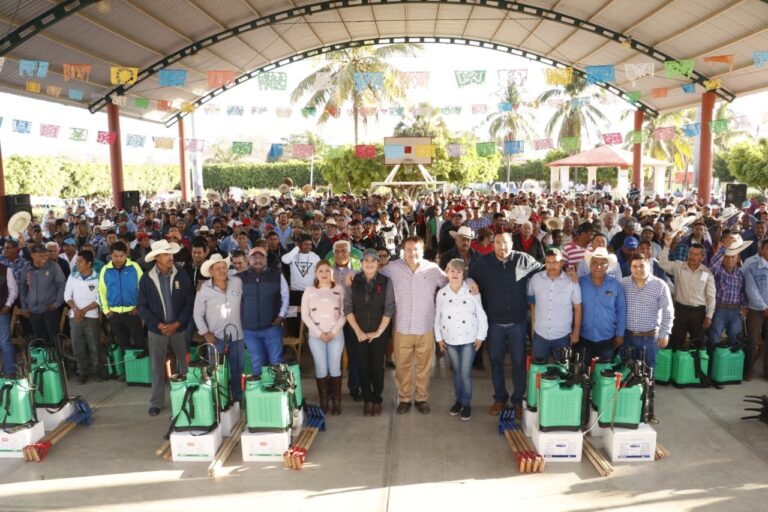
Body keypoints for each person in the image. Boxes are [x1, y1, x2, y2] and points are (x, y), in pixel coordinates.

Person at [469, 232, 543, 417]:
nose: (502, 247)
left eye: (505, 243)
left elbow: (544, 269)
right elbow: (469, 276)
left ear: (512, 243)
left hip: (518, 323)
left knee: (518, 363)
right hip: (494, 323)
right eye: (498, 243)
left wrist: (568, 270)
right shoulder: (483, 263)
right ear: (493, 244)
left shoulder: (523, 259)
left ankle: (518, 400)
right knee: (496, 362)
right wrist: (470, 281)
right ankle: (500, 399)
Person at [381, 236, 447, 415]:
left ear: (422, 250)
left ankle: (421, 398)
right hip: (401, 327)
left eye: (416, 249)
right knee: (402, 366)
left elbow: (452, 282)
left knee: (424, 366)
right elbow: (372, 273)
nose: (412, 253)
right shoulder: (393, 269)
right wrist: (351, 274)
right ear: (403, 250)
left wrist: (471, 283)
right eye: (408, 249)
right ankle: (404, 398)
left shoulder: (433, 269)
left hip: (425, 327)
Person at [137, 240, 195, 416]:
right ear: (156, 258)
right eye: (165, 254)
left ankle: (189, 398)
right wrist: (159, 325)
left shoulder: (181, 274)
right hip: (157, 331)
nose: (170, 257)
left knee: (185, 365)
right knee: (156, 367)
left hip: (180, 328)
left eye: (170, 254)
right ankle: (156, 402)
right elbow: (142, 306)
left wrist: (177, 323)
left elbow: (189, 301)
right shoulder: (147, 279)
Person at [435, 258, 487, 421]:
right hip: (449, 338)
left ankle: (466, 404)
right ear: (447, 273)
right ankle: (458, 400)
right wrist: (438, 338)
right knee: (457, 372)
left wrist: (481, 336)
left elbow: (481, 314)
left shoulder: (471, 291)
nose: (455, 274)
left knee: (465, 373)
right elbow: (437, 317)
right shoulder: (442, 293)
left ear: (464, 274)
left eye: (459, 271)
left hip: (468, 338)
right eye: (452, 271)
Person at [345, 250, 395, 416]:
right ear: (361, 263)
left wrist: (379, 332)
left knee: (377, 367)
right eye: (365, 260)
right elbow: (348, 308)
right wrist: (358, 331)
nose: (369, 263)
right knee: (363, 366)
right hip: (358, 331)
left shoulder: (386, 282)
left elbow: (389, 308)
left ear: (378, 263)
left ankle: (376, 398)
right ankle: (367, 399)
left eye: (373, 260)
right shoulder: (354, 281)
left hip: (379, 332)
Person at [193, 254, 245, 401]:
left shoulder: (237, 282)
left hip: (238, 335)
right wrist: (205, 333)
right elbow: (197, 314)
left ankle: (237, 398)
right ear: (211, 272)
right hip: (216, 337)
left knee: (238, 368)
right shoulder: (204, 289)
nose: (222, 271)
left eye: (224, 267)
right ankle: (219, 399)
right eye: (217, 268)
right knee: (216, 370)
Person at [302, 260, 347, 415]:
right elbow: (305, 315)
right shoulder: (309, 290)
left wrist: (333, 332)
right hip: (316, 336)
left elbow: (344, 313)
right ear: (316, 273)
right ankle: (323, 401)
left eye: (327, 270)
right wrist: (319, 333)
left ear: (332, 273)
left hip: (336, 335)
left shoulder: (340, 289)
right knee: (321, 368)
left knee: (334, 367)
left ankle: (336, 402)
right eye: (320, 271)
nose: (324, 274)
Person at [238, 246, 289, 378]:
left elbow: (285, 296)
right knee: (257, 362)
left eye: (261, 257)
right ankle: (260, 395)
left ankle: (277, 394)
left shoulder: (277, 276)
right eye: (254, 257)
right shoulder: (239, 278)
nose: (258, 260)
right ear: (249, 260)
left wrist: (281, 315)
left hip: (272, 328)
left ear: (266, 259)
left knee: (276, 361)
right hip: (249, 330)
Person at [659, 236, 716, 350]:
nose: (692, 256)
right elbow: (662, 263)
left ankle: (696, 367)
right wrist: (667, 246)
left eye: (696, 254)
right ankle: (677, 366)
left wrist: (709, 316)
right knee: (676, 341)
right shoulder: (678, 266)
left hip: (698, 313)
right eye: (691, 253)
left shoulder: (707, 273)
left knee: (697, 344)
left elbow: (711, 296)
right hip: (680, 311)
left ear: (702, 257)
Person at [619, 255, 674, 370]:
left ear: (648, 266)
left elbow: (668, 311)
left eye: (641, 266)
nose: (638, 269)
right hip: (627, 336)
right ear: (630, 268)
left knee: (648, 371)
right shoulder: (622, 283)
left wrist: (664, 334)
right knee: (626, 370)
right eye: (634, 266)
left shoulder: (660, 285)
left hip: (649, 338)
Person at [527, 249, 582, 361]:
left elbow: (577, 307)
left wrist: (576, 332)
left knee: (562, 372)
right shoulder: (535, 279)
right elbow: (531, 302)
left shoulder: (571, 281)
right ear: (544, 262)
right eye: (548, 262)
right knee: (538, 371)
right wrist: (533, 329)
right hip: (540, 335)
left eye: (555, 262)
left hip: (562, 336)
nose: (551, 266)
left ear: (562, 262)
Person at [578, 247, 627, 363]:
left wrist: (620, 334)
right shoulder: (579, 283)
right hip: (584, 337)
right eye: (594, 263)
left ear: (607, 266)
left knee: (604, 375)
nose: (598, 267)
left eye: (602, 263)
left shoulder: (615, 285)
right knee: (583, 373)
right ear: (590, 265)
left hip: (608, 339)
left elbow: (621, 310)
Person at [98, 241, 144, 353]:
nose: (118, 259)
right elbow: (101, 292)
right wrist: (106, 310)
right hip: (114, 315)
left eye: (121, 256)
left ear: (126, 254)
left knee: (139, 342)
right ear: (111, 255)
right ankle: (126, 370)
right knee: (123, 345)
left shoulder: (135, 267)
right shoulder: (105, 270)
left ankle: (141, 369)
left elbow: (143, 289)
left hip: (133, 313)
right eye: (115, 256)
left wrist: (139, 307)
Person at [64, 250, 102, 384]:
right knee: (77, 345)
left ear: (89, 263)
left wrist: (83, 310)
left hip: (92, 316)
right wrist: (76, 309)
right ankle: (82, 373)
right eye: (77, 260)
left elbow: (99, 299)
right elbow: (67, 296)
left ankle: (96, 372)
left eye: (80, 261)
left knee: (94, 346)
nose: (77, 263)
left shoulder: (97, 277)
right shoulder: (73, 276)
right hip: (75, 316)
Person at [708, 235, 750, 351]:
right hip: (719, 310)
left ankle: (730, 365)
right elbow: (712, 265)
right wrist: (723, 248)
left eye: (733, 257)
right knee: (714, 338)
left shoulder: (739, 274)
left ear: (737, 259)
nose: (729, 260)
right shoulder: (718, 271)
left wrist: (744, 307)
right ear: (723, 258)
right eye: (727, 257)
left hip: (735, 311)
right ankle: (712, 363)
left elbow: (742, 292)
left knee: (735, 340)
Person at [19, 244, 66, 347]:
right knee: (39, 340)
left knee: (54, 340)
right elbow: (23, 288)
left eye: (45, 255)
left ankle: (57, 361)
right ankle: (43, 362)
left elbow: (62, 285)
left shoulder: (54, 267)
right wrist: (24, 307)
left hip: (49, 309)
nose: (44, 258)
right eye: (41, 256)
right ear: (32, 255)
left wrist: (57, 303)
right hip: (33, 311)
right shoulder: (27, 268)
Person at [742, 239, 768, 380]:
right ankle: (749, 371)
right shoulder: (752, 267)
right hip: (756, 311)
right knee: (752, 342)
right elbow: (751, 290)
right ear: (762, 250)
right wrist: (764, 307)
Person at [0, 257, 18, 377]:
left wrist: (7, 305)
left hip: (2, 312)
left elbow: (13, 290)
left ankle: (10, 372)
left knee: (4, 342)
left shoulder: (5, 270)